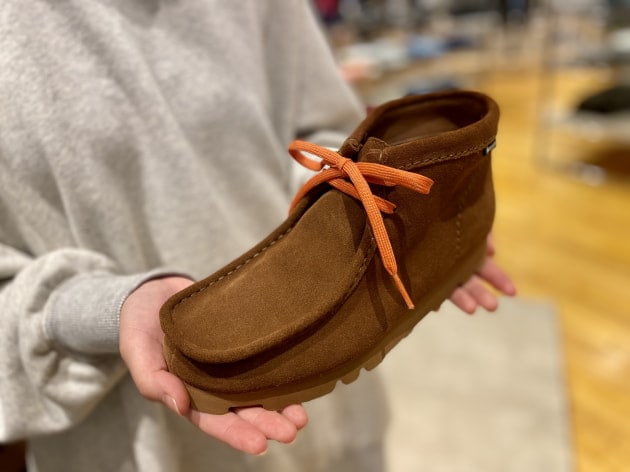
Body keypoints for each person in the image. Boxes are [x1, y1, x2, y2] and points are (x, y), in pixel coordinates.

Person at [0, 1, 516, 471]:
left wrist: (415, 225)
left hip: (326, 363)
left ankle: (453, 234)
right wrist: (97, 312)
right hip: (131, 442)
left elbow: (326, 134)